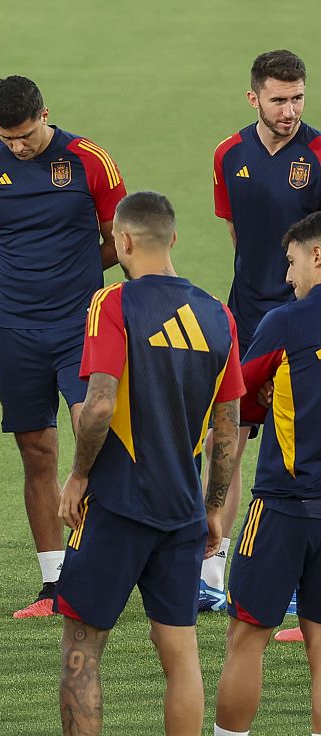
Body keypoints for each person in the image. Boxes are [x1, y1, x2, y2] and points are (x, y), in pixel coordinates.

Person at [23, 191, 243, 736]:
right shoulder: (221, 316)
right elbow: (228, 429)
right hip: (180, 511)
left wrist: (79, 473)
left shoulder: (111, 303)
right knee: (180, 652)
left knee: (82, 646)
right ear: (170, 239)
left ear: (122, 242)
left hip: (118, 504)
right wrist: (210, 509)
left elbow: (96, 405)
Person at [0, 75, 127, 618]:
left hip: (81, 324)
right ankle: (54, 584)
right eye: (7, 139)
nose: (18, 147)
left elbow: (121, 239)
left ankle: (99, 572)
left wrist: (73, 274)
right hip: (15, 329)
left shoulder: (88, 159)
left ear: (45, 114)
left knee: (91, 436)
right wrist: (24, 285)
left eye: (26, 136)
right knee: (36, 450)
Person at [189, 210, 321, 736]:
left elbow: (236, 404)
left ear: (316, 258)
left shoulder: (286, 322)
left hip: (285, 508)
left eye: (292, 261)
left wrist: (214, 505)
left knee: (246, 636)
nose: (287, 272)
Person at [203, 50, 321, 612]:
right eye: (279, 98)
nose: (291, 109)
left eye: (298, 97)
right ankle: (211, 569)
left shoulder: (319, 152)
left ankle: (301, 580)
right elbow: (238, 232)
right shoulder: (229, 154)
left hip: (306, 324)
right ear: (254, 98)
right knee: (230, 436)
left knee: (302, 447)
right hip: (248, 320)